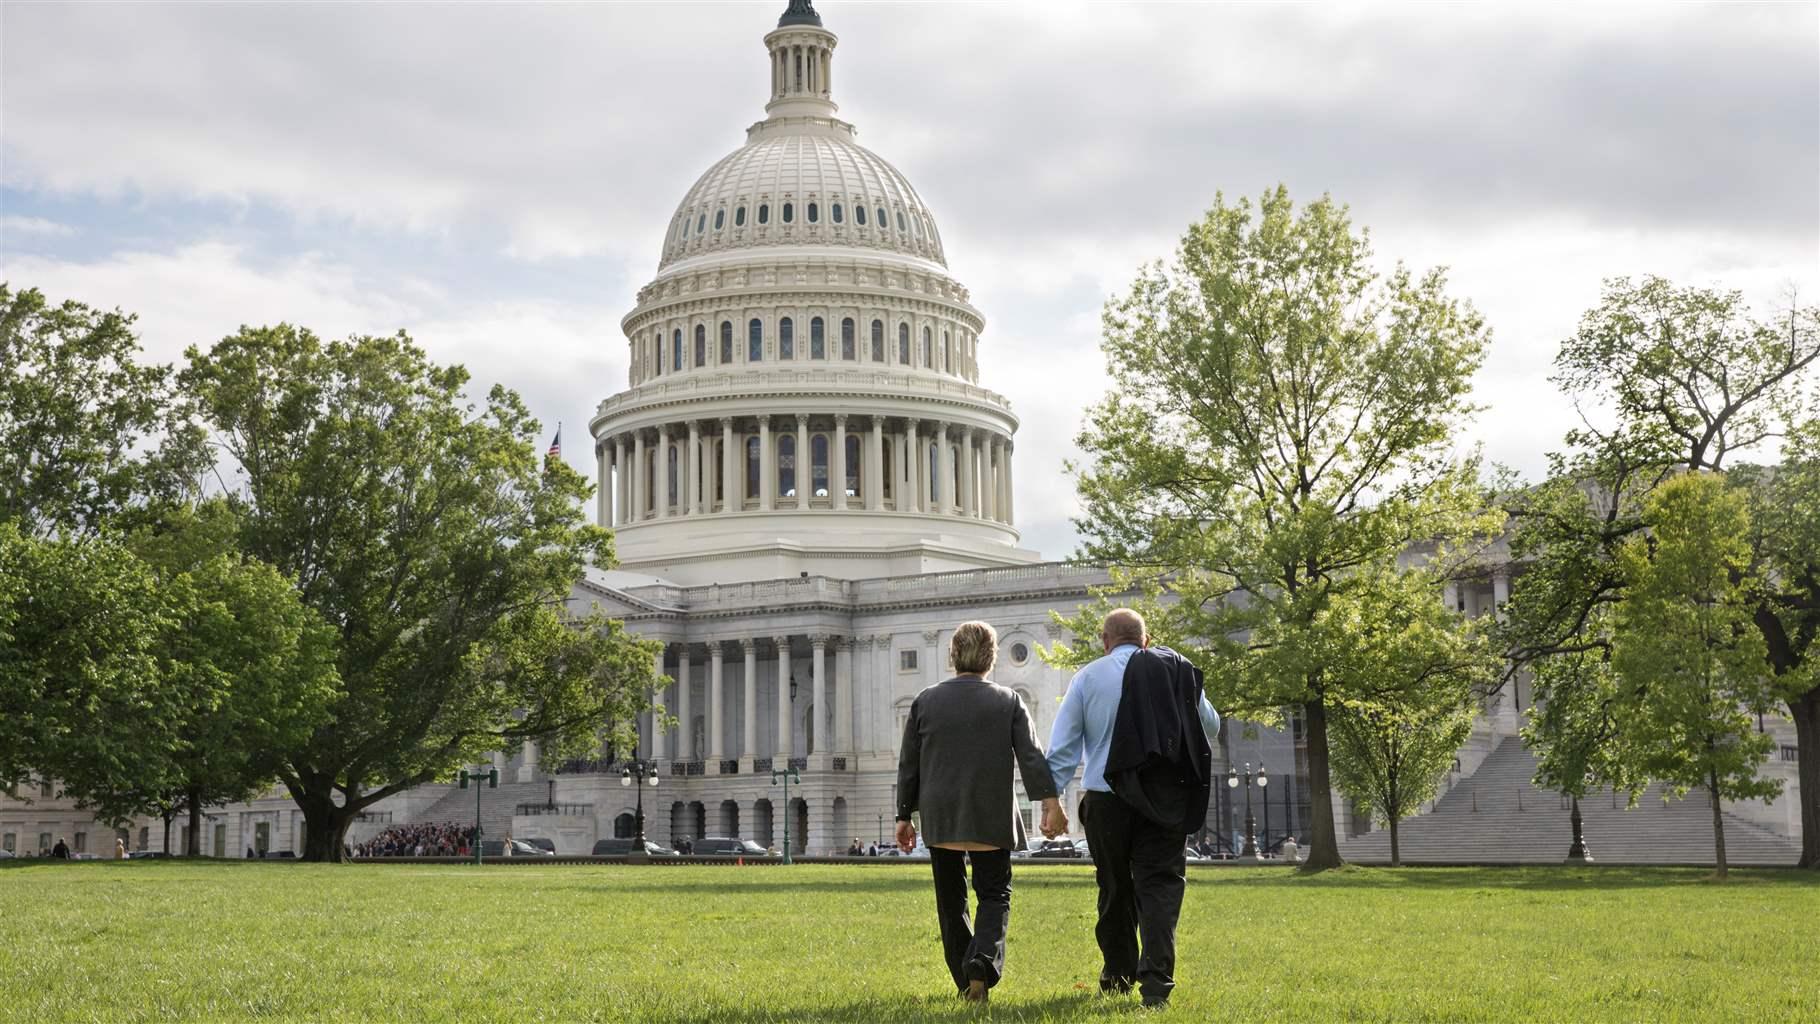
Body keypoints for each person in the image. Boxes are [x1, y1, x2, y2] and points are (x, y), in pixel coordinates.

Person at [1044, 608, 1220, 1010]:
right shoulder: (1177, 670)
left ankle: (1118, 974)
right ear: (1146, 639)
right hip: (1164, 798)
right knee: (1159, 889)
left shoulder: (1088, 677)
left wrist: (1052, 802)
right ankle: (1156, 985)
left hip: (1108, 800)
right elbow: (1210, 726)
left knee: (1114, 887)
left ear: (1105, 640)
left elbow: (1064, 748)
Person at [896, 621, 1063, 1006]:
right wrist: (1050, 803)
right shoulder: (1008, 701)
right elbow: (1032, 756)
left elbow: (910, 764)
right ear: (992, 657)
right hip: (991, 813)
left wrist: (904, 814)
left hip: (942, 815)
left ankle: (965, 975)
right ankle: (982, 960)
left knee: (950, 900)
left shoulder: (925, 700)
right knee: (995, 895)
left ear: (952, 655)